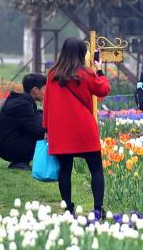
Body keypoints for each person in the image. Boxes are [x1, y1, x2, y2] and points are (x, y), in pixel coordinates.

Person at [42, 37, 110, 220]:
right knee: (95, 168)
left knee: (65, 170)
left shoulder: (53, 74)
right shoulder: (86, 73)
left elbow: (47, 103)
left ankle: (68, 208)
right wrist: (100, 70)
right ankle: (97, 209)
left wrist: (47, 128)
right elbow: (103, 90)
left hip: (61, 130)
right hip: (84, 128)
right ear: (82, 53)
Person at [0, 73, 47, 170]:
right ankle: (20, 161)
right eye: (44, 89)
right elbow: (35, 130)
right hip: (6, 146)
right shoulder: (22, 104)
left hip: (7, 142)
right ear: (35, 90)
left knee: (40, 116)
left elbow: (36, 119)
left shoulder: (23, 101)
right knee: (42, 133)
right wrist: (52, 130)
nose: (46, 92)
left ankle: (20, 161)